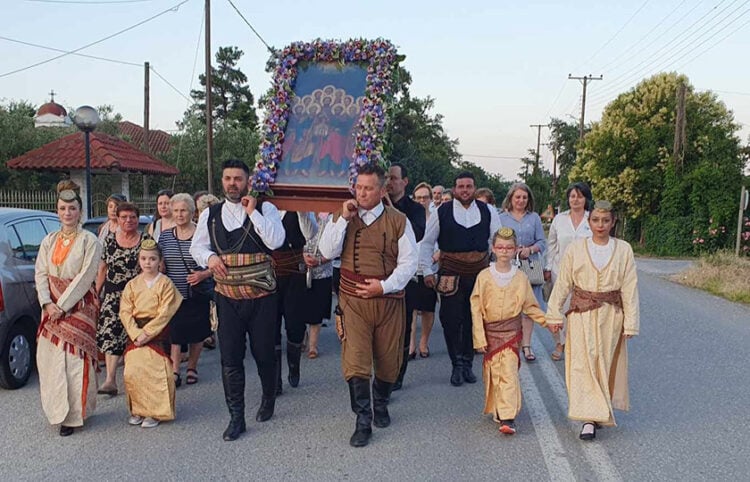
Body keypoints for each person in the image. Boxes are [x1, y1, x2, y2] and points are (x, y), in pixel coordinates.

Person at [319, 163, 418, 448]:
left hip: (388, 302)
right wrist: (342, 219)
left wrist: (384, 286)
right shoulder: (344, 216)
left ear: (382, 189)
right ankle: (362, 420)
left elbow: (409, 263)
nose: (361, 193)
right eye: (358, 187)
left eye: (368, 188)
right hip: (353, 301)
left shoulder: (398, 220)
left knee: (388, 362)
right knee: (356, 360)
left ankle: (381, 403)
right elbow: (326, 251)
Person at [190, 159, 285, 442]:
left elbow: (276, 241)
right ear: (222, 181)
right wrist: (210, 258)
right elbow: (197, 246)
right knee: (230, 359)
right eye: (228, 178)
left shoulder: (266, 208)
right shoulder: (211, 214)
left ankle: (268, 398)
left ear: (249, 181)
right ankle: (236, 417)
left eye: (238, 179)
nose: (233, 183)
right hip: (227, 297)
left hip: (262, 297)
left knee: (264, 352)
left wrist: (253, 211)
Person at [546, 201, 639, 441]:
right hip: (581, 313)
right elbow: (564, 282)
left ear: (613, 222)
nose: (600, 225)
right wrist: (554, 313)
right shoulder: (577, 249)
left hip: (611, 314)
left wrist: (631, 322)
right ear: (589, 222)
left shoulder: (623, 249)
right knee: (583, 362)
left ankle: (599, 411)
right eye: (596, 220)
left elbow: (629, 287)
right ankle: (588, 417)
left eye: (605, 220)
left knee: (603, 361)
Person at [421, 171, 502, 387]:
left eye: (468, 186)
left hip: (480, 272)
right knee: (450, 319)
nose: (464, 190)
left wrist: (500, 270)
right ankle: (456, 363)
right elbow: (427, 243)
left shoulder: (489, 211)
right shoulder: (442, 212)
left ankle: (467, 363)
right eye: (460, 186)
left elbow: (497, 242)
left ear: (474, 188)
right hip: (450, 271)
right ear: (455, 189)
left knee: (474, 319)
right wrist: (426, 270)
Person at [35, 181, 102, 437]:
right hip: (50, 310)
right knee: (51, 362)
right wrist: (46, 303)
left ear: (80, 211)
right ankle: (57, 411)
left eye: (72, 208)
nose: (67, 213)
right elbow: (40, 273)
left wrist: (62, 306)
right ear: (57, 211)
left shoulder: (90, 241)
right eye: (63, 208)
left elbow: (86, 277)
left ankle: (74, 416)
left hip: (78, 309)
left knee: (75, 363)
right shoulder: (48, 240)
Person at [471, 227, 551, 435]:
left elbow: (531, 306)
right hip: (490, 332)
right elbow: (476, 308)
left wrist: (547, 321)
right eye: (500, 247)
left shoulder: (521, 278)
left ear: (516, 249)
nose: (504, 251)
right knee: (493, 371)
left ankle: (508, 416)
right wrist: (479, 337)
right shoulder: (484, 276)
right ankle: (499, 408)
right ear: (493, 249)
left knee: (508, 371)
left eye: (509, 247)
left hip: (510, 333)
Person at [120, 239, 183, 428]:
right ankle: (138, 410)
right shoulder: (132, 284)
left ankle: (155, 412)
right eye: (144, 258)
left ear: (160, 261)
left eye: (153, 259)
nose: (148, 263)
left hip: (157, 331)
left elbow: (166, 312)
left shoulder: (166, 284)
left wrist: (147, 334)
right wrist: (135, 333)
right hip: (136, 333)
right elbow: (125, 310)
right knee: (133, 372)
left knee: (156, 372)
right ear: (138, 260)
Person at [96, 202, 150, 396]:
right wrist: (97, 293)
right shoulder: (109, 240)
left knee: (136, 336)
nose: (129, 221)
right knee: (111, 334)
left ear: (138, 219)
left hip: (138, 296)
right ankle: (110, 380)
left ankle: (138, 378)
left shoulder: (146, 240)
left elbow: (155, 266)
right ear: (117, 220)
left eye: (133, 217)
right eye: (124, 217)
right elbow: (102, 268)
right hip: (113, 294)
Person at [159, 193, 213, 387]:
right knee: (176, 332)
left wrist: (202, 275)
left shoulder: (202, 234)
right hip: (173, 294)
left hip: (196, 292)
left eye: (183, 210)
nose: (179, 214)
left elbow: (214, 263)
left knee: (198, 332)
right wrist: (160, 266)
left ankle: (192, 366)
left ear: (192, 212)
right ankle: (175, 369)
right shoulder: (165, 237)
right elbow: (159, 258)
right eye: (176, 211)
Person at [386, 163, 426, 391]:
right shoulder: (375, 206)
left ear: (404, 182)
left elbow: (415, 233)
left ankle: (398, 373)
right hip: (381, 274)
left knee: (402, 326)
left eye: (393, 178)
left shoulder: (415, 208)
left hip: (405, 276)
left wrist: (391, 208)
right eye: (386, 178)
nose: (389, 183)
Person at [544, 182, 593, 361]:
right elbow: (551, 245)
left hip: (585, 274)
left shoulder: (592, 219)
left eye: (579, 196)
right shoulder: (559, 219)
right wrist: (548, 268)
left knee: (582, 311)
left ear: (586, 199)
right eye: (572, 196)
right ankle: (560, 343)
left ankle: (579, 346)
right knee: (559, 309)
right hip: (560, 271)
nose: (575, 200)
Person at [498, 183, 546, 362]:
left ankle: (526, 345)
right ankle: (511, 343)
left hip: (528, 267)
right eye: (517, 197)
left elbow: (542, 242)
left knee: (527, 307)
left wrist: (531, 249)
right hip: (507, 266)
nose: (521, 200)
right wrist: (507, 250)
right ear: (511, 198)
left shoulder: (533, 218)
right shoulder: (501, 218)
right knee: (510, 307)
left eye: (524, 198)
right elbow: (493, 240)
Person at [271, 210, 316, 394]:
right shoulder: (263, 207)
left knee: (294, 324)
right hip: (269, 273)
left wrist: (301, 210)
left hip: (294, 273)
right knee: (270, 326)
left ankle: (294, 365)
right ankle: (274, 379)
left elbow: (310, 233)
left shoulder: (299, 208)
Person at [409, 182, 437, 358]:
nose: (421, 201)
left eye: (425, 197)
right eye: (418, 197)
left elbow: (442, 244)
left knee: (427, 309)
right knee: (410, 309)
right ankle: (411, 345)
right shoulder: (409, 217)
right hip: (410, 271)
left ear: (430, 199)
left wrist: (433, 258)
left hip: (429, 270)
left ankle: (423, 342)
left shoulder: (435, 218)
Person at [302, 212, 334, 358]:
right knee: (300, 307)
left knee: (317, 309)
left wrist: (320, 261)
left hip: (323, 270)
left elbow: (336, 246)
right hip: (300, 268)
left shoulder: (331, 218)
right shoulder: (303, 213)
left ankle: (313, 346)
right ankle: (302, 337)